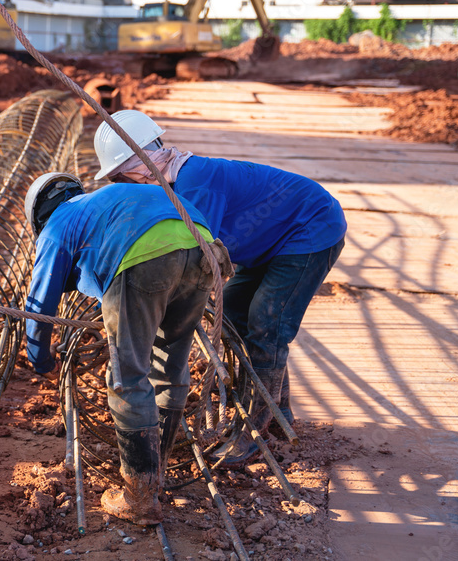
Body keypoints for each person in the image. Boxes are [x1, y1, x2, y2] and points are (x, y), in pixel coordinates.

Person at [93, 110, 347, 468]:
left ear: (142, 162)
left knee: (265, 324)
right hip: (268, 243)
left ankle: (254, 435)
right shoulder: (172, 182)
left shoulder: (195, 182)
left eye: (122, 175)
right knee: (238, 312)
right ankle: (279, 413)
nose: (123, 184)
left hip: (309, 229)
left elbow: (201, 259)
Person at [23, 172, 227, 524]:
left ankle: (140, 498)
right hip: (204, 247)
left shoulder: (57, 226)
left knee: (128, 375)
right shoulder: (106, 202)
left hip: (144, 256)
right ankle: (155, 469)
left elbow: (39, 306)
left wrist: (41, 361)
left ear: (38, 217)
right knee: (169, 362)